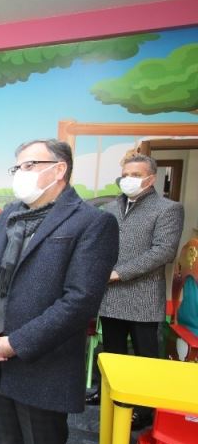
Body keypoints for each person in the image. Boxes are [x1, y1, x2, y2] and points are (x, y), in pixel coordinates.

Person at [0, 139, 119, 444]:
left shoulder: (91, 222)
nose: (20, 174)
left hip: (42, 361)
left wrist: (17, 343)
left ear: (59, 169)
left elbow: (80, 301)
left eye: (29, 166)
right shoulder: (8, 215)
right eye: (17, 167)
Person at [86, 154, 184, 430]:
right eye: (125, 174)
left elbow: (164, 251)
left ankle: (144, 409)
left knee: (145, 357)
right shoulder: (111, 208)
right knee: (112, 352)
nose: (128, 179)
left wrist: (118, 273)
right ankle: (108, 393)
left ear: (151, 179)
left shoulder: (168, 209)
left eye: (136, 175)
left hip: (142, 296)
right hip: (111, 295)